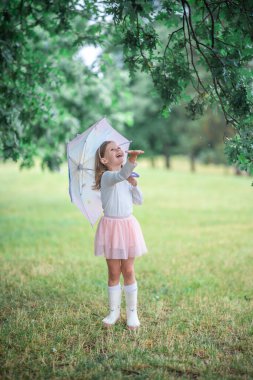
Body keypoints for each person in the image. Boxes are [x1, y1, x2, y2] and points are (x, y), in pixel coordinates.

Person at [93, 140, 148, 330]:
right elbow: (120, 175)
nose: (118, 150)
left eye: (119, 148)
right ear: (104, 159)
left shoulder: (125, 178)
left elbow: (139, 200)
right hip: (111, 228)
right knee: (114, 272)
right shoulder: (108, 176)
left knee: (129, 270)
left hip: (127, 226)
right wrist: (132, 160)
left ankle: (132, 313)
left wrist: (133, 184)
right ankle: (114, 312)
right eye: (112, 149)